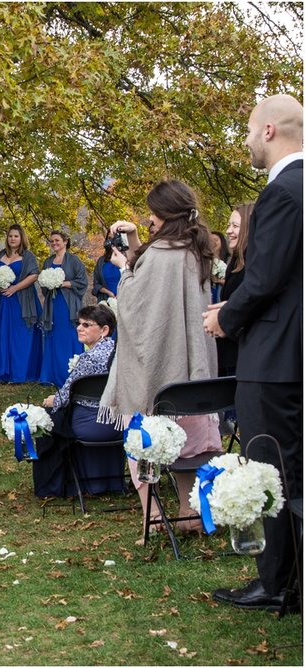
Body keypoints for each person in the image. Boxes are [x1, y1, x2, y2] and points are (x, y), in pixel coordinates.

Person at [204, 94, 303, 612]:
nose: (244, 138)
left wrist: (226, 316)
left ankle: (277, 584)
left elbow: (265, 278)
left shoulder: (284, 192)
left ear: (268, 131)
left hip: (277, 359)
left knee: (273, 470)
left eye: (247, 129)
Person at [98, 179, 223, 544]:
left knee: (145, 438)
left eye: (153, 212)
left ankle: (151, 517)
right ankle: (187, 512)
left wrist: (122, 268)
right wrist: (136, 239)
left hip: (157, 363)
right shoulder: (194, 248)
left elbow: (134, 298)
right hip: (190, 365)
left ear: (165, 213)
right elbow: (150, 269)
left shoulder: (162, 253)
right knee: (191, 440)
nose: (149, 218)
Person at [35, 305, 124, 497]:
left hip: (91, 425)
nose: (79, 328)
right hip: (120, 424)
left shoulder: (89, 358)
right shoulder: (120, 352)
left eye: (86, 324)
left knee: (51, 419)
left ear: (104, 330)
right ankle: (111, 481)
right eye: (78, 323)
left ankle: (55, 485)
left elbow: (64, 396)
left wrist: (51, 400)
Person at [0, 224, 42, 384]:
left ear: (21, 238)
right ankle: (1, 374)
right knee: (2, 335)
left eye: (16, 236)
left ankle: (19, 374)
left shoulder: (28, 256)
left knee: (20, 337)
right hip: (3, 301)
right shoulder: (0, 255)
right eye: (10, 236)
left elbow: (34, 275)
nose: (13, 239)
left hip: (21, 301)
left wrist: (15, 288)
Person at [38, 230, 87, 388]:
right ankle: (50, 375)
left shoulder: (74, 260)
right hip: (53, 305)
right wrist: (48, 284)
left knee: (70, 337)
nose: (54, 243)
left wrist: (64, 283)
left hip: (68, 305)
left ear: (65, 242)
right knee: (53, 336)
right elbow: (43, 285)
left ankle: (72, 375)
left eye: (57, 240)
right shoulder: (48, 261)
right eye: (52, 241)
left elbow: (82, 281)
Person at [215, 203, 254, 377]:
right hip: (228, 355)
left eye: (235, 226)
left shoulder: (253, 266)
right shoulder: (235, 262)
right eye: (229, 225)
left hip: (242, 357)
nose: (229, 231)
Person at [91, 232, 121, 303]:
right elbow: (96, 284)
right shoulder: (101, 261)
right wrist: (108, 293)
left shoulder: (124, 259)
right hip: (105, 300)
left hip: (123, 299)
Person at [208, 230, 229, 303]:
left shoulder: (229, 260)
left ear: (222, 242)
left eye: (216, 240)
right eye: (210, 240)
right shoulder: (205, 260)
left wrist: (218, 280)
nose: (213, 243)